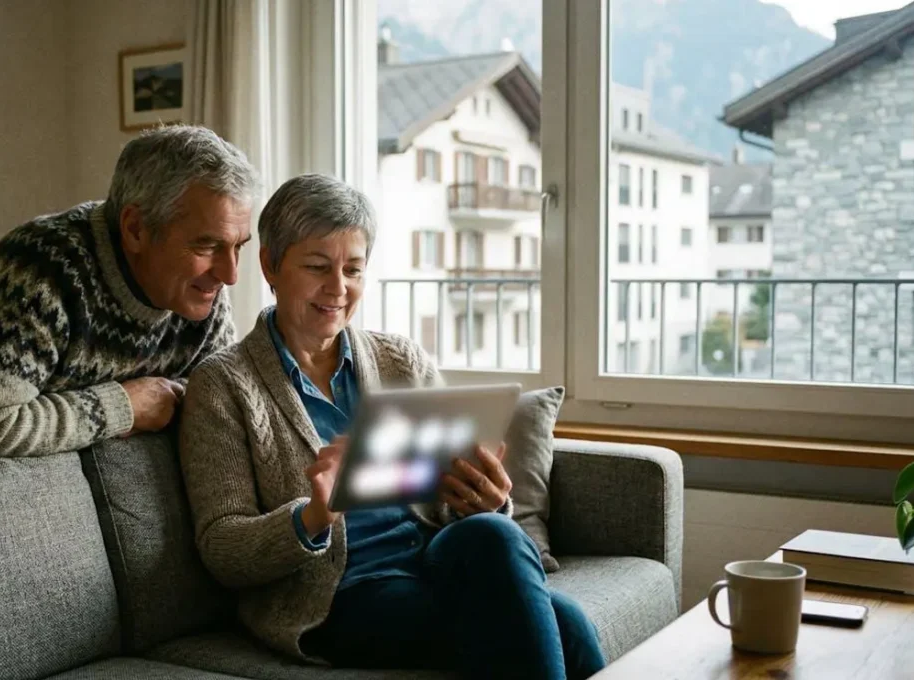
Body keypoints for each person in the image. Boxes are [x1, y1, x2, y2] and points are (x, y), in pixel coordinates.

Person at [179, 175, 606, 679]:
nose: (338, 289)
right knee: (568, 625)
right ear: (271, 264)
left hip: (430, 560)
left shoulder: (399, 358)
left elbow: (448, 495)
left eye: (353, 270)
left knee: (495, 534)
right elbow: (223, 548)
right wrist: (314, 515)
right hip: (340, 596)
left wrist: (485, 498)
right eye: (317, 267)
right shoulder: (223, 385)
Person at [0, 125, 258, 457]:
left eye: (239, 246)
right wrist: (124, 406)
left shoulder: (201, 291)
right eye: (206, 246)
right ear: (136, 229)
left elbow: (219, 402)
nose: (230, 274)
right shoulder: (34, 273)